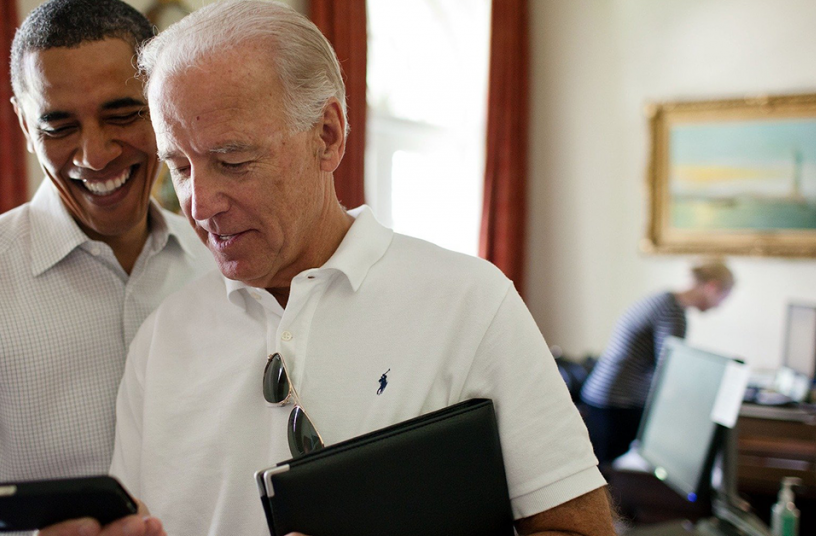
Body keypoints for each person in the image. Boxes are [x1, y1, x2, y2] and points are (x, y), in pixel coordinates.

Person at [43, 1, 614, 535]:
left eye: (232, 160)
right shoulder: (161, 341)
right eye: (181, 167)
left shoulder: (471, 303)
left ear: (328, 136)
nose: (199, 204)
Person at [0, 1, 214, 534]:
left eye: (122, 115)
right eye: (58, 125)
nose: (95, 155)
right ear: (25, 124)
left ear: (163, 104)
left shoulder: (222, 263)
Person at [580, 260, 735, 470]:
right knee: (610, 473)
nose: (719, 306)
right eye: (723, 298)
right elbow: (671, 369)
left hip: (605, 395)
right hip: (617, 401)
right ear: (712, 287)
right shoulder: (672, 311)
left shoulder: (664, 300)